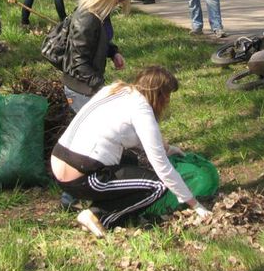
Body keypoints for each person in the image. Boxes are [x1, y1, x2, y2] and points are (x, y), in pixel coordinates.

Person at [51, 66, 212, 237]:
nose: (168, 102)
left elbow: (127, 133)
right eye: (168, 96)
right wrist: (195, 205)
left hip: (59, 162)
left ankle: (101, 210)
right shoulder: (142, 109)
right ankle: (98, 215)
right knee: (157, 185)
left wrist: (169, 149)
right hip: (82, 176)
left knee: (133, 161)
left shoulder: (115, 90)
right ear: (160, 95)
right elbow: (162, 167)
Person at [62, 0, 131, 113]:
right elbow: (78, 62)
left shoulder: (102, 12)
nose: (122, 1)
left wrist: (113, 52)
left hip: (89, 84)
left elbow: (97, 39)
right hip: (80, 88)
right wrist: (102, 87)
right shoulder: (87, 18)